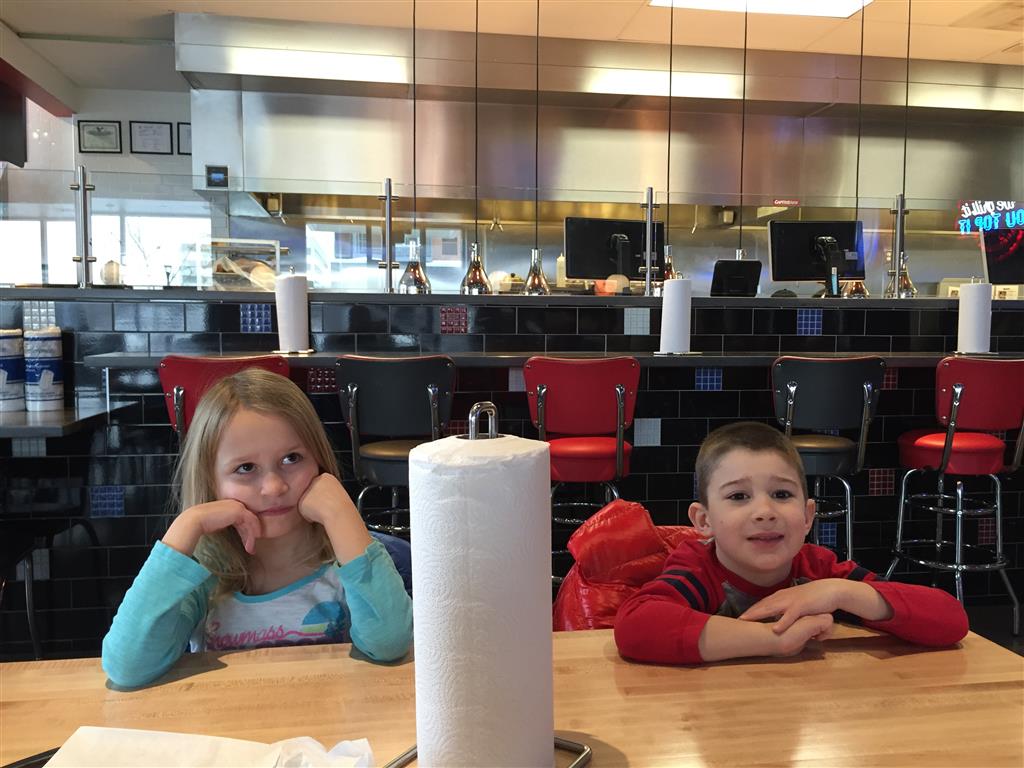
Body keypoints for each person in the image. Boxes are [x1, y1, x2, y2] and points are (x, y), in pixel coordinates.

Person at [102, 368, 413, 687]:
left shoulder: (345, 564)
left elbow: (389, 645)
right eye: (246, 468)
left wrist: (341, 515)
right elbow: (127, 667)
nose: (274, 487)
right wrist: (187, 524)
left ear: (318, 460)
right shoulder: (206, 579)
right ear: (211, 483)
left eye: (292, 458)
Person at [614, 421, 968, 665]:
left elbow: (950, 620)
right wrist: (775, 640)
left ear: (808, 515)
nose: (765, 512)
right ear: (703, 521)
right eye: (738, 496)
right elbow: (635, 627)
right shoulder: (697, 569)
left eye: (782, 494)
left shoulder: (818, 569)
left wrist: (839, 592)